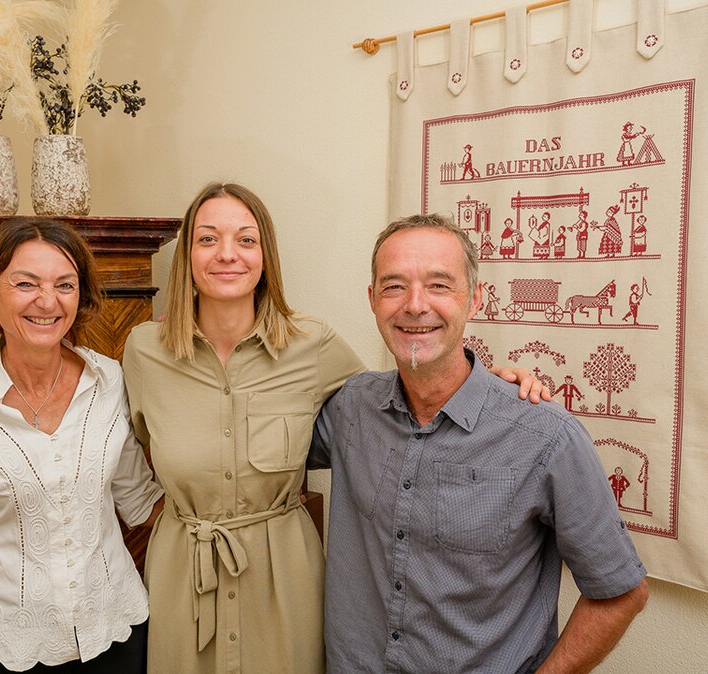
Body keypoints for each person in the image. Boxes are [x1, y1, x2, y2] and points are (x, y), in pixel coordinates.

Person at [122, 183, 549, 674]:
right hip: (183, 575)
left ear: (266, 256)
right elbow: (117, 441)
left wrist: (485, 387)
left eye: (245, 239)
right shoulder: (143, 349)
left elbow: (401, 399)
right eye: (207, 239)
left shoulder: (312, 344)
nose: (227, 255)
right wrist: (155, 508)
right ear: (187, 257)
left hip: (283, 578)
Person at [310, 213, 648, 673]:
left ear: (474, 299)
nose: (414, 305)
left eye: (439, 285)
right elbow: (244, 439)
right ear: (372, 300)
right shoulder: (350, 409)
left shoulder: (545, 436)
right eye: (394, 286)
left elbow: (621, 592)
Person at [0, 219, 164, 673]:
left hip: (120, 636)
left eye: (64, 284)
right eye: (26, 283)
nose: (47, 301)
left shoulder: (110, 380)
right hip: (8, 651)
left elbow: (141, 501)